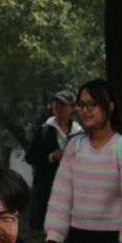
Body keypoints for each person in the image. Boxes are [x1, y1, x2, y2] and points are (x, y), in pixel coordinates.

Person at [43, 78, 122, 243]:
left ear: (110, 107)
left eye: (92, 105)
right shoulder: (75, 146)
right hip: (77, 241)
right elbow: (61, 195)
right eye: (82, 105)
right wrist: (54, 236)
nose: (86, 111)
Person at [24, 90, 82, 231]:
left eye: (63, 104)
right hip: (47, 189)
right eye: (56, 103)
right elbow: (30, 157)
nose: (58, 106)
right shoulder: (43, 131)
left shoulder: (80, 133)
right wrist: (51, 157)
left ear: (72, 108)